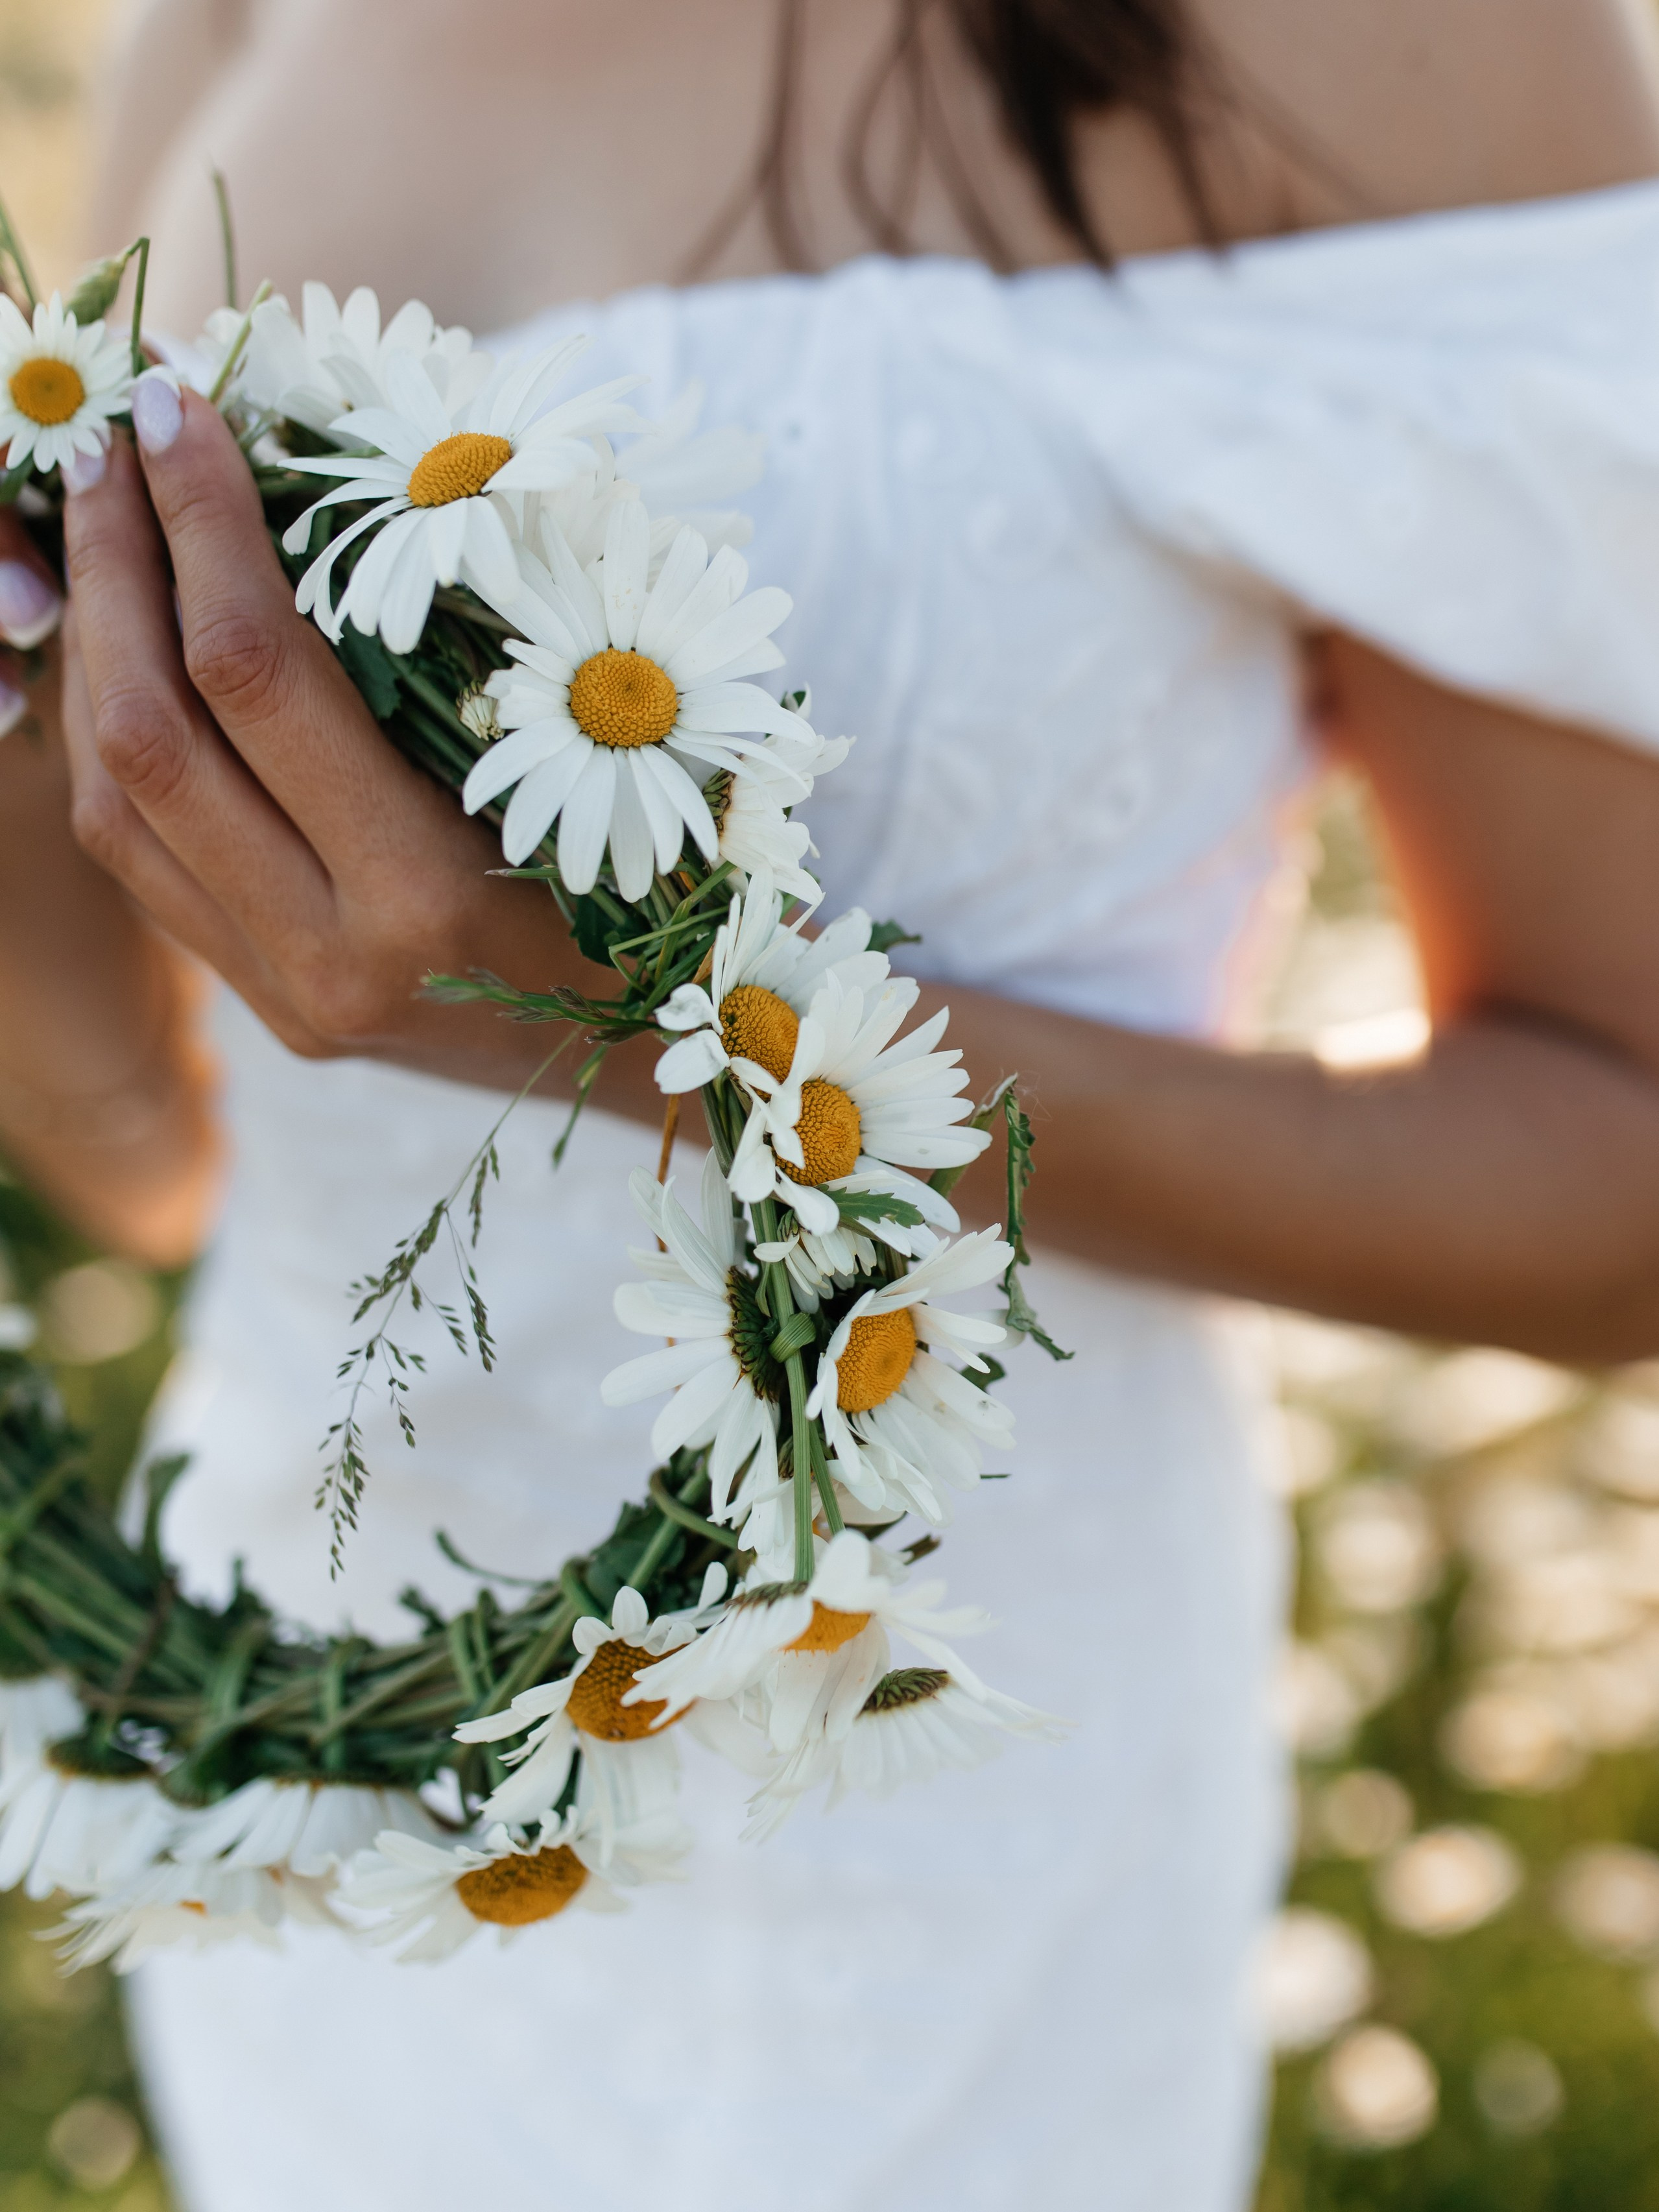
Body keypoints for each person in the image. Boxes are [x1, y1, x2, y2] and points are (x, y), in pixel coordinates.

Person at [4, 0, 1659, 2205]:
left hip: (928, 1822)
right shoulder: (211, 36)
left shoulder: (1377, 43)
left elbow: (1619, 1161)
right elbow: (161, 1149)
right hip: (331, 1786)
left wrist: (635, 1014)